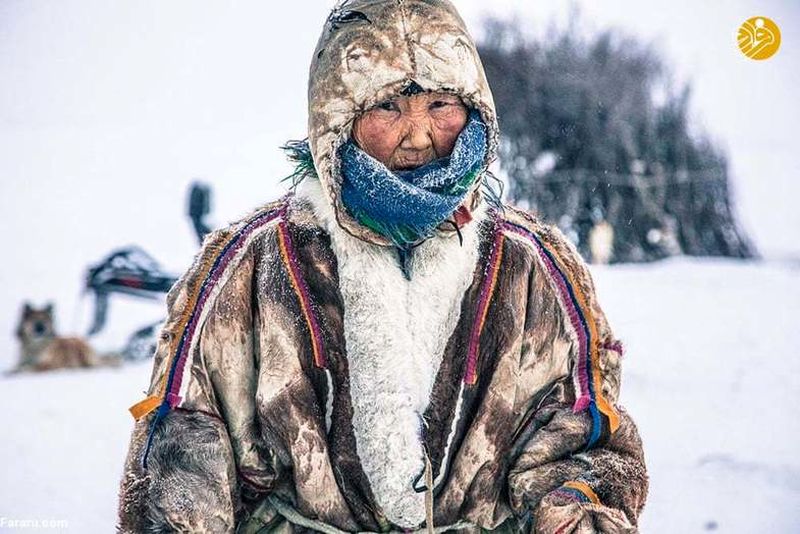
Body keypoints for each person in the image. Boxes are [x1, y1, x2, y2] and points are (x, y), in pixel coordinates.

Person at [117, 1, 648, 532]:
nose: (418, 135)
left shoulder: (533, 268)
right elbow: (183, 455)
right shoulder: (250, 265)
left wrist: (575, 512)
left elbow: (584, 443)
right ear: (337, 118)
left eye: (441, 103)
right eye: (389, 106)